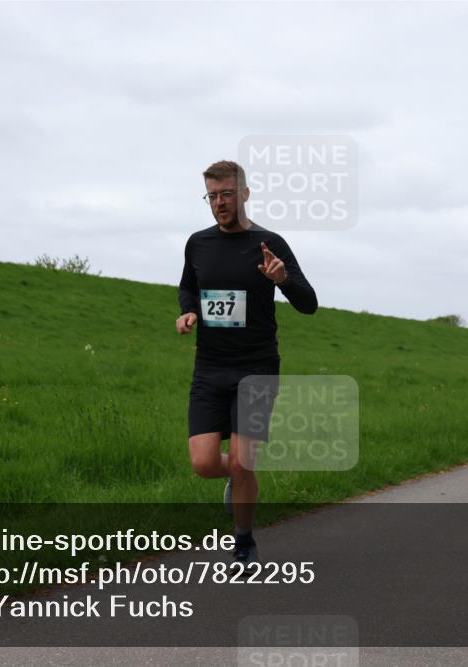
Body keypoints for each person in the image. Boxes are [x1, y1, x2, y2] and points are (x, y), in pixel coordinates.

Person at [177, 160, 317, 571]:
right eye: (212, 196)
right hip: (210, 367)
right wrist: (188, 311)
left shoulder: (269, 243)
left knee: (242, 461)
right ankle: (237, 481)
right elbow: (188, 286)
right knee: (204, 463)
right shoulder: (198, 243)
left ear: (245, 194)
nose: (219, 203)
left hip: (256, 366)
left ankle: (244, 543)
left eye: (226, 194)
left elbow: (308, 303)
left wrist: (282, 279)